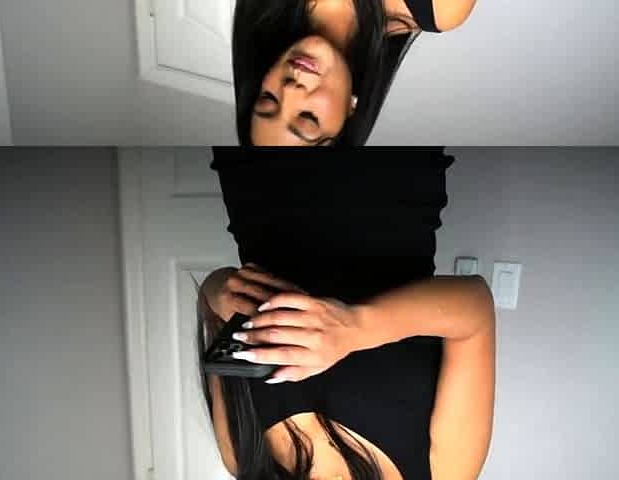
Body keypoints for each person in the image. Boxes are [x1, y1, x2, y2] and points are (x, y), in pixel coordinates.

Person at [197, 148, 496, 479]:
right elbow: (475, 308)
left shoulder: (242, 458)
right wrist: (357, 328)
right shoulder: (443, 472)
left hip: (255, 181)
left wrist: (223, 292)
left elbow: (212, 302)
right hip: (388, 181)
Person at [232, 1, 478, 146]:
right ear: (351, 110)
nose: (288, 90)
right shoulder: (442, 6)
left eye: (268, 99)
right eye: (308, 118)